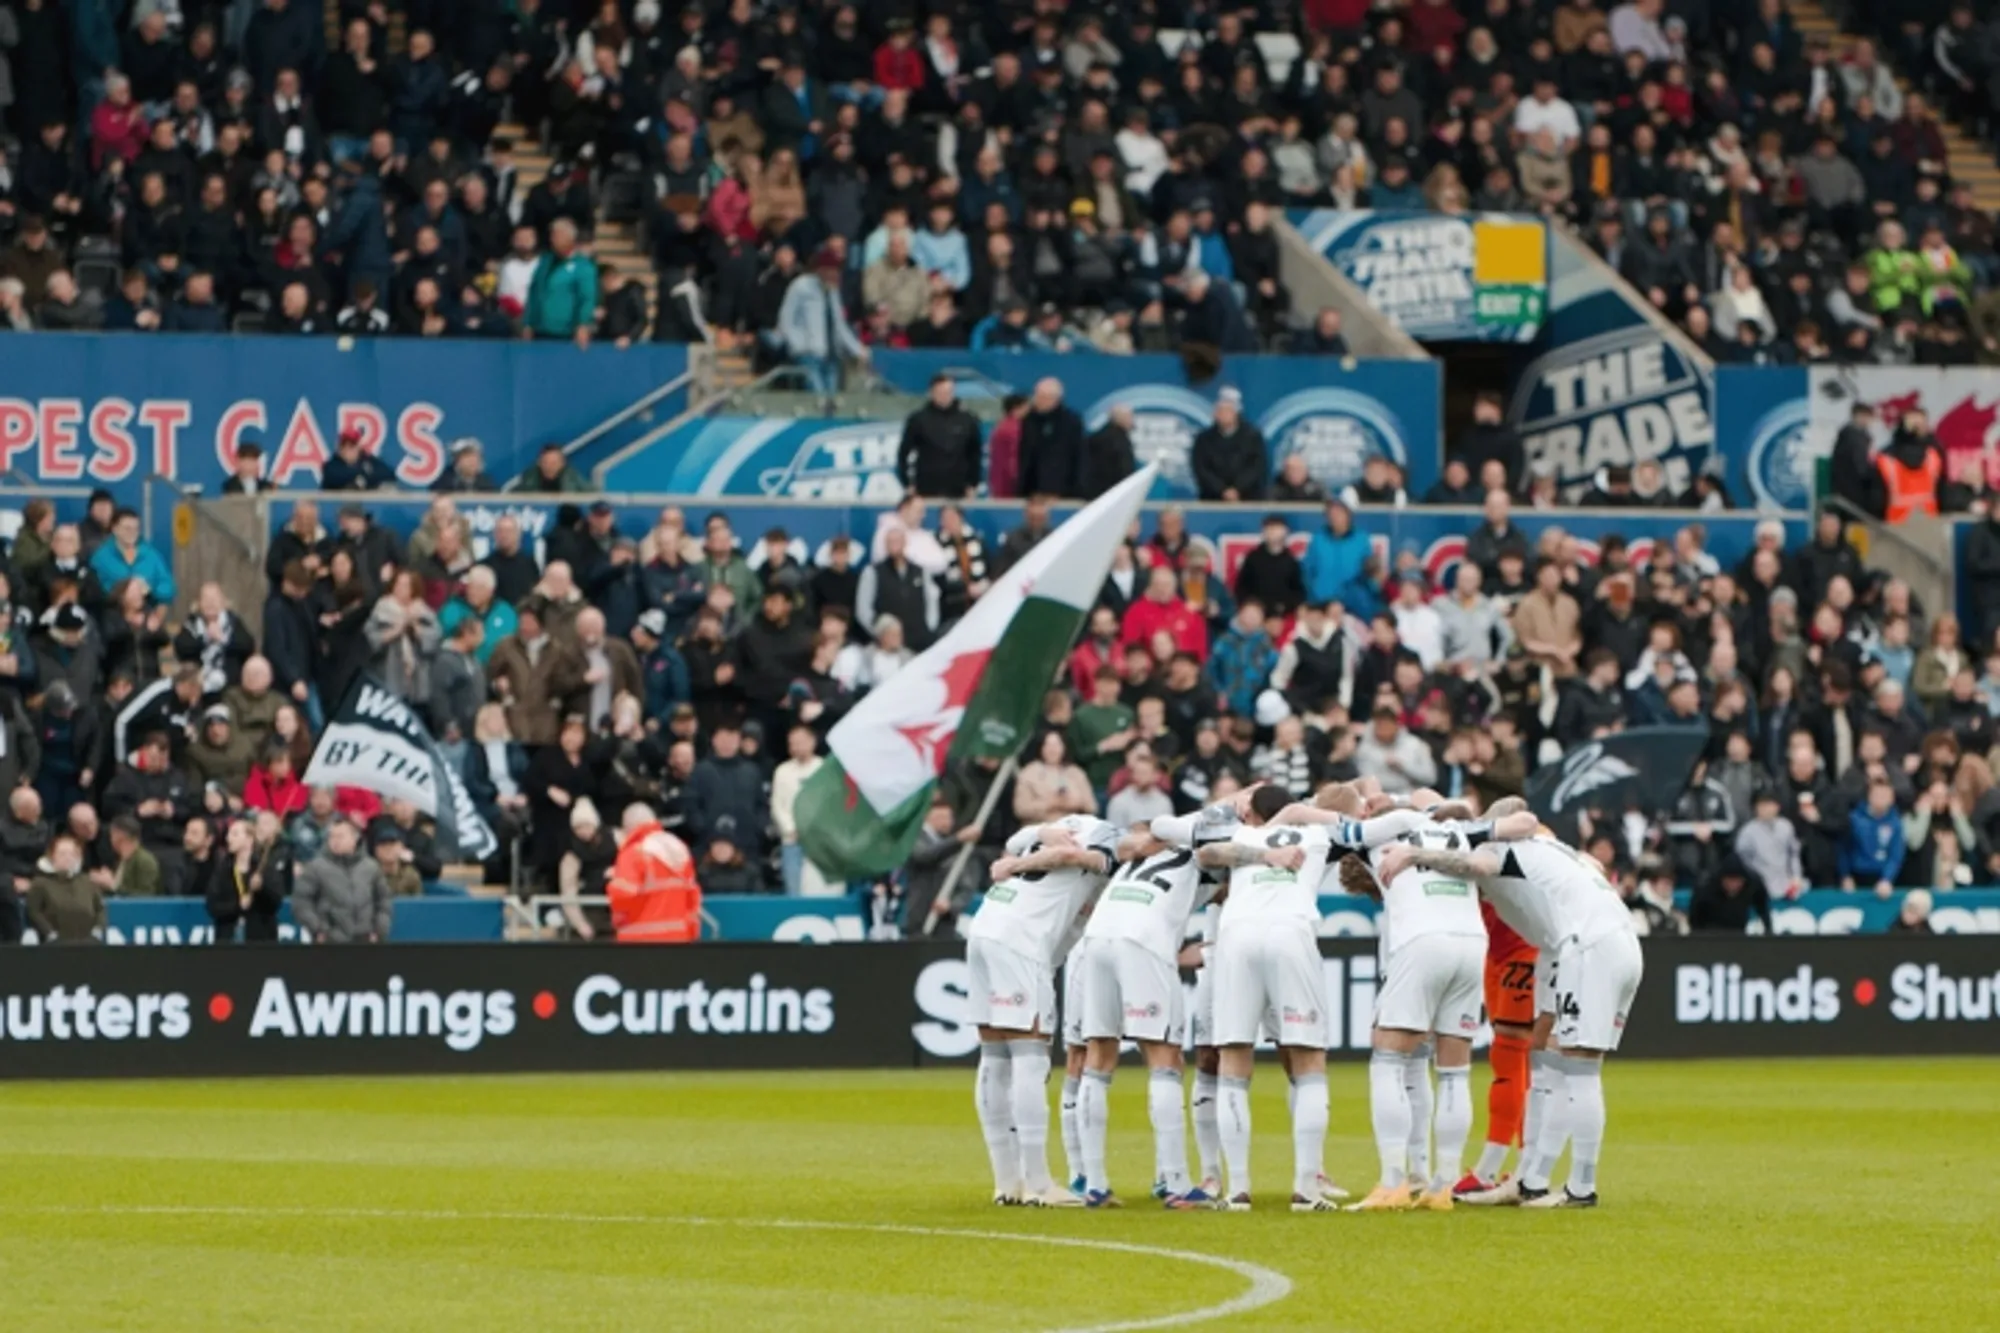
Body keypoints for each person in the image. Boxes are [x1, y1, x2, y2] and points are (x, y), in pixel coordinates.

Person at [1387, 818, 1646, 1208]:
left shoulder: (1502, 850)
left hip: (1590, 946)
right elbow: (1591, 866)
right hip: (1591, 945)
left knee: (1579, 1065)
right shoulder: (1558, 851)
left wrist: (1414, 855)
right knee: (1544, 1049)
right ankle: (1531, 1179)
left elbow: (1478, 866)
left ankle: (1581, 1188)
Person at [1191, 785, 1340, 1212]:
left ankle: (1237, 1190)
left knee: (1234, 1059)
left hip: (1235, 936)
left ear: (1253, 814)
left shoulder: (1241, 837)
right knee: (1309, 1058)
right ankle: (1307, 1190)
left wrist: (1258, 850)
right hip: (1290, 932)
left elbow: (1204, 855)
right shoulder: (1316, 836)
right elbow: (1356, 823)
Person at [1336, 819, 1491, 1211]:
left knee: (1388, 1059)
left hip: (1423, 941)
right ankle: (1443, 1185)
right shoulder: (1457, 829)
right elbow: (1511, 824)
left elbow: (1327, 819)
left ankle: (1392, 1183)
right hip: (1472, 944)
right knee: (1455, 1069)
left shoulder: (1380, 833)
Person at [967, 814, 1122, 1207]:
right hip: (1021, 939)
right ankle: (1038, 1184)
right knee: (1029, 1058)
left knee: (994, 1056)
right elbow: (1078, 857)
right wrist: (1027, 857)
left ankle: (1006, 1183)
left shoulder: (1048, 827)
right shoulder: (1107, 834)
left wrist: (1037, 836)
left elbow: (1023, 839)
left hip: (985, 928)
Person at [1071, 817, 1217, 1208]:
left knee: (1098, 1056)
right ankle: (1176, 1183)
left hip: (1097, 938)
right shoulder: (1199, 852)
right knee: (1164, 1056)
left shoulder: (1137, 855)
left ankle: (1095, 1184)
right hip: (1142, 939)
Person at [605, 801, 702, 942]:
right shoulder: (678, 848)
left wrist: (613, 880)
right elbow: (693, 896)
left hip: (640, 940)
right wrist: (692, 933)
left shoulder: (633, 852)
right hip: (679, 938)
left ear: (628, 826)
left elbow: (622, 895)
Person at [293, 817, 393, 944]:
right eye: (332, 836)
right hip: (330, 940)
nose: (335, 841)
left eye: (340, 836)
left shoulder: (371, 867)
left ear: (354, 839)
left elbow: (384, 900)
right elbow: (301, 902)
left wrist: (379, 930)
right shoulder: (315, 868)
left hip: (365, 940)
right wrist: (318, 930)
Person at [898, 373, 982, 498]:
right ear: (932, 392)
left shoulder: (968, 420)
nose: (945, 396)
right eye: (941, 391)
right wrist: (908, 484)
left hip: (958, 489)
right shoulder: (918, 419)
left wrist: (973, 484)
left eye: (948, 391)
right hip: (926, 488)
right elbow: (903, 453)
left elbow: (975, 454)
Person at [1190, 387, 1268, 502]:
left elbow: (1256, 467)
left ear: (1235, 413)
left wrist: (1237, 489)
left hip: (1248, 498)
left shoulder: (1252, 437)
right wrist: (1222, 490)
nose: (1221, 415)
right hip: (1213, 499)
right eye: (1219, 411)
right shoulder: (1204, 439)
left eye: (1226, 411)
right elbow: (1201, 469)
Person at [27, 831, 104, 944]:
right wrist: (50, 934)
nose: (67, 858)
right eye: (62, 854)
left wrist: (97, 931)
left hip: (88, 943)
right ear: (52, 856)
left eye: (72, 854)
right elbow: (34, 911)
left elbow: (100, 908)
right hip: (56, 945)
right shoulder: (40, 883)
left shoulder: (87, 881)